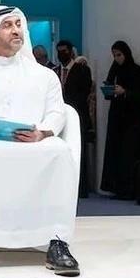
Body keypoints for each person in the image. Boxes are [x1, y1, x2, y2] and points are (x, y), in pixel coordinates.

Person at [0, 5, 80, 277]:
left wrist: (41, 132)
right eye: (8, 25)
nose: (16, 30)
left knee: (59, 151)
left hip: (34, 142)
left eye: (19, 24)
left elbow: (57, 113)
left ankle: (57, 241)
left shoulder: (44, 75)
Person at [100, 41, 140, 200]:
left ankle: (131, 189)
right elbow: (109, 91)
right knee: (116, 152)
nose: (117, 58)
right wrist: (109, 90)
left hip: (132, 120)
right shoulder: (115, 70)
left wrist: (125, 92)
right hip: (117, 117)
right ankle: (117, 188)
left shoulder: (138, 72)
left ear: (126, 54)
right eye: (114, 55)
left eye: (119, 55)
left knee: (130, 154)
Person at [53, 40, 93, 198]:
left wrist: (69, 105)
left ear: (70, 52)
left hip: (77, 114)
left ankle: (80, 188)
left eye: (64, 51)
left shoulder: (82, 70)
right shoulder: (54, 71)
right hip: (57, 115)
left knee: (78, 150)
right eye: (59, 51)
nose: (61, 54)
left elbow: (84, 92)